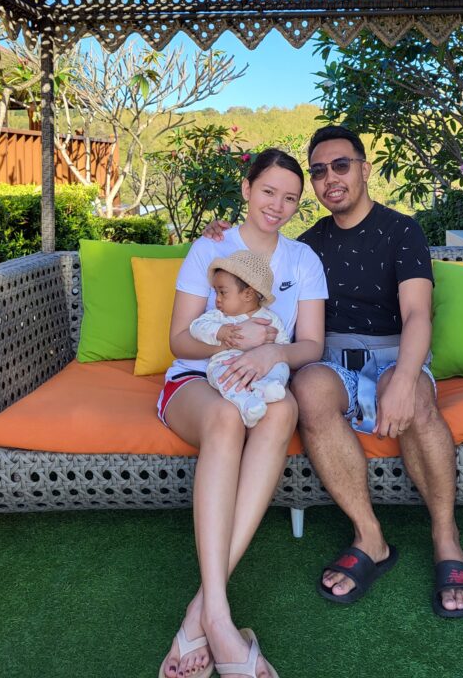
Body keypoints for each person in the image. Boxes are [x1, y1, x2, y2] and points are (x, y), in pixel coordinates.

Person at [205, 124, 463, 619]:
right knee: (310, 389)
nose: (329, 177)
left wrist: (404, 379)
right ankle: (369, 536)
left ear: (364, 169)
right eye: (318, 171)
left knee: (414, 394)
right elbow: (254, 264)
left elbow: (418, 314)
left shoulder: (402, 231)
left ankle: (446, 536)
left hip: (396, 354)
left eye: (340, 165)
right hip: (332, 364)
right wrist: (218, 236)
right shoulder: (308, 246)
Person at [158, 148, 327, 678]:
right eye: (268, 191)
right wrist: (228, 340)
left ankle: (202, 612)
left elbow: (312, 345)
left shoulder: (303, 260)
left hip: (262, 381)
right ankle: (220, 619)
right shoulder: (211, 247)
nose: (277, 205)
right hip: (195, 381)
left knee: (283, 411)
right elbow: (179, 340)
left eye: (291, 198)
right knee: (227, 419)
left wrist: (271, 352)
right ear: (248, 189)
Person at [190, 250, 291, 427]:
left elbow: (284, 346)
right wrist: (221, 332)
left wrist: (272, 349)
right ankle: (246, 403)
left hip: (262, 369)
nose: (217, 299)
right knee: (221, 376)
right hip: (228, 365)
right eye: (216, 292)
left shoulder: (270, 319)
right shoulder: (219, 317)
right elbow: (196, 327)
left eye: (222, 292)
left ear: (248, 294)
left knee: (282, 366)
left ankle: (266, 387)